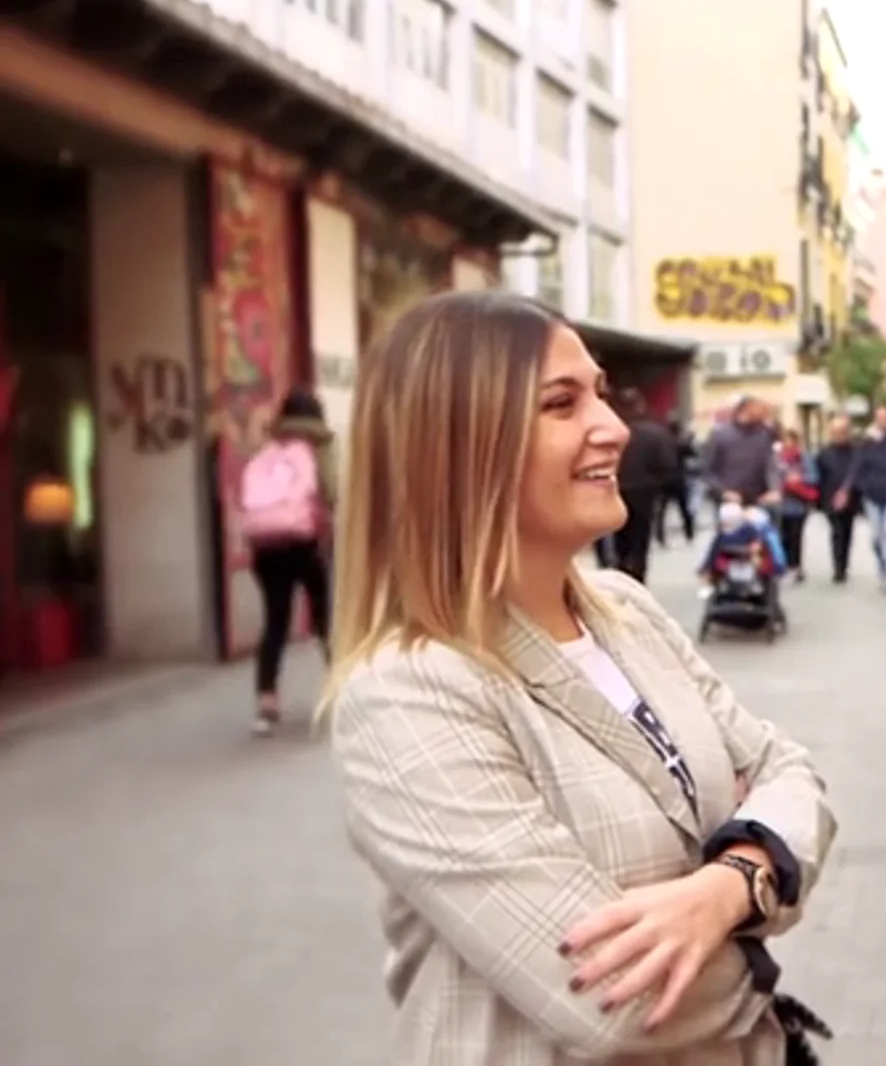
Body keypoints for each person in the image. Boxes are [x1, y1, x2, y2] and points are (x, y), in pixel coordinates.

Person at [322, 291, 837, 1065]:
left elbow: (789, 774)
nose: (614, 425)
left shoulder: (626, 611)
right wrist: (772, 906)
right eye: (561, 403)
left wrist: (734, 880)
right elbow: (614, 1000)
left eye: (598, 391)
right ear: (459, 449)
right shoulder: (410, 690)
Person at [237, 388, 335, 736]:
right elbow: (332, 494)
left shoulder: (265, 454)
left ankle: (266, 702)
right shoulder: (316, 449)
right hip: (304, 543)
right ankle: (339, 691)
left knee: (275, 621)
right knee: (324, 617)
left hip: (266, 547)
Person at [842, 405, 886, 595]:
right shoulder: (866, 442)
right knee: (876, 538)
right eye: (878, 417)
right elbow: (857, 465)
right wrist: (849, 488)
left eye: (885, 417)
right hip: (872, 495)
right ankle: (882, 569)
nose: (881, 421)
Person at [612, 387, 678, 584]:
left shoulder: (613, 432)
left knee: (619, 537)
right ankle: (638, 578)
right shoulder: (654, 433)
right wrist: (661, 486)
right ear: (641, 406)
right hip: (644, 492)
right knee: (640, 539)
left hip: (616, 489)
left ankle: (621, 570)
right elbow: (668, 464)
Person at [701, 396, 780, 508]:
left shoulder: (764, 434)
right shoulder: (720, 434)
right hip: (728, 501)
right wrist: (723, 492)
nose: (765, 417)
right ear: (745, 409)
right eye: (761, 412)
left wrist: (774, 489)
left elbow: (770, 464)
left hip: (759, 499)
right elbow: (708, 471)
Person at [813, 415, 858, 585]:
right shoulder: (824, 453)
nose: (838, 435)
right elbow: (819, 477)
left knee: (847, 532)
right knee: (836, 532)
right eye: (835, 432)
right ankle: (838, 568)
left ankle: (844, 564)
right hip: (829, 498)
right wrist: (818, 501)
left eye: (842, 431)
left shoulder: (855, 451)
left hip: (851, 498)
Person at [774, 429, 819, 583]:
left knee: (796, 535)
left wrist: (799, 479)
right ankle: (784, 564)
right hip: (780, 503)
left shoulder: (803, 457)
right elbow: (771, 476)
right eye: (785, 440)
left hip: (799, 503)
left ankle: (796, 566)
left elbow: (813, 477)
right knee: (781, 535)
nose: (787, 444)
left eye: (790, 440)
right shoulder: (777, 458)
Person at [657, 413, 698, 545]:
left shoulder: (662, 441)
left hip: (664, 479)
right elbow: (692, 453)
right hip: (678, 479)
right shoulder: (681, 441)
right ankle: (689, 533)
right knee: (684, 508)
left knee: (662, 511)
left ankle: (661, 536)